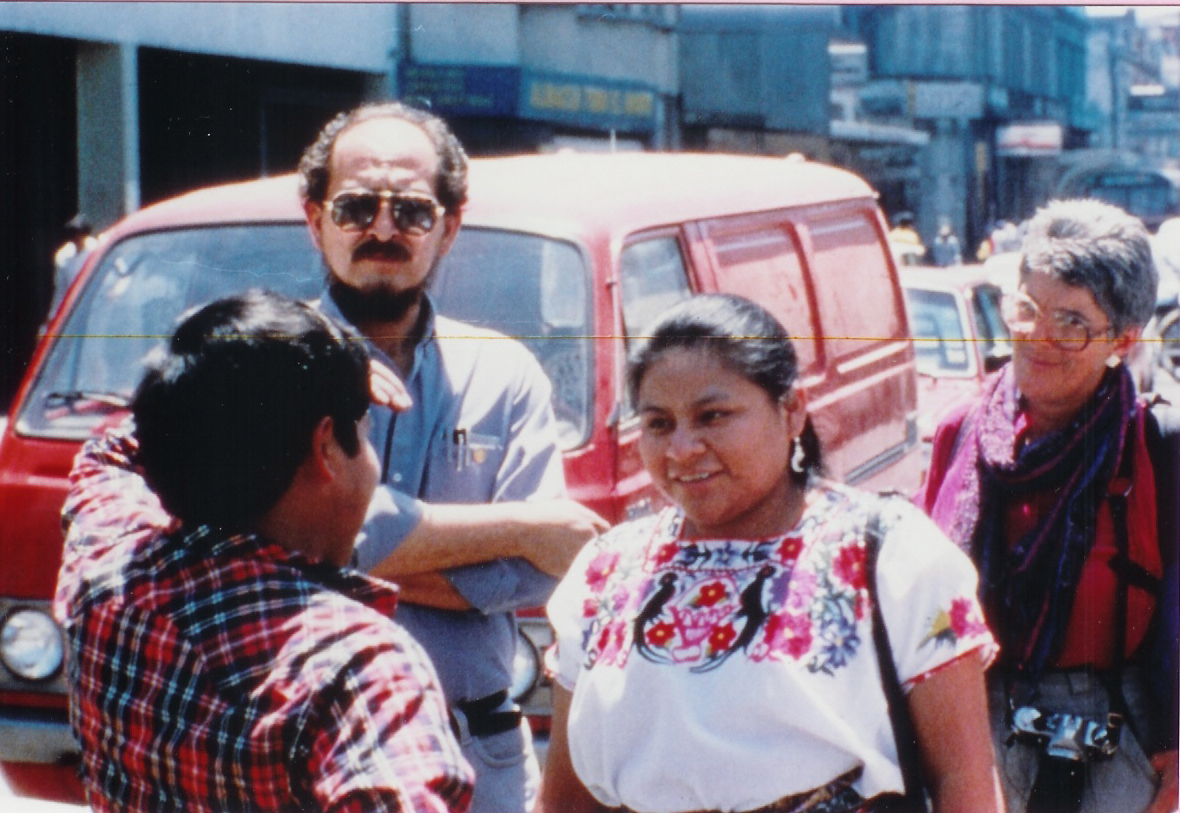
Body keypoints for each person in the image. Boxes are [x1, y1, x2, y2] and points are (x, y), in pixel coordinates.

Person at [537, 294, 1003, 813]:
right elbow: (565, 797)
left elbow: (964, 777)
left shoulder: (892, 555)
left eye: (713, 416)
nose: (682, 448)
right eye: (659, 424)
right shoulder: (606, 570)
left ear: (792, 410)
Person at [298, 101, 610, 813]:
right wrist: (517, 526)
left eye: (409, 210)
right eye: (355, 207)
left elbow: (532, 571)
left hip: (475, 753)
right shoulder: (266, 362)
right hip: (306, 752)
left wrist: (337, 556)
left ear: (450, 225)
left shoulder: (505, 373)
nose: (382, 229)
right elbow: (533, 539)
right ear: (315, 218)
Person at [54, 289, 474, 812]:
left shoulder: (107, 558)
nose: (372, 463)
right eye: (363, 433)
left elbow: (108, 451)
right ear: (325, 449)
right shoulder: (357, 666)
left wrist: (264, 375)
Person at [917, 198, 1178, 813]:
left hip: (1112, 722)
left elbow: (1175, 607)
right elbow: (922, 596)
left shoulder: (1155, 446)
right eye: (1027, 308)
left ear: (1124, 340)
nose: (1036, 336)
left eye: (1071, 322)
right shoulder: (961, 433)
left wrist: (1173, 739)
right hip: (974, 714)